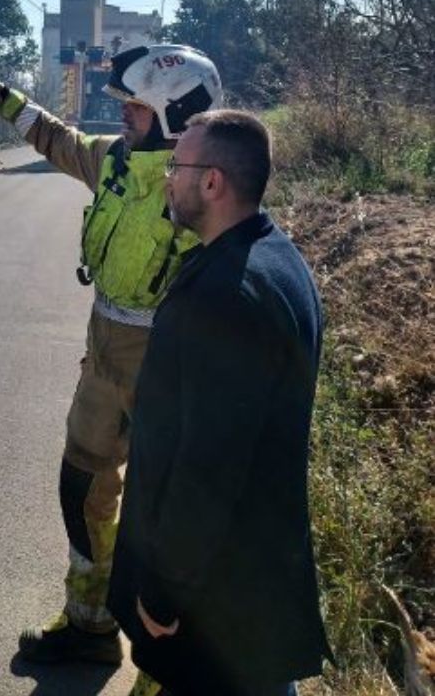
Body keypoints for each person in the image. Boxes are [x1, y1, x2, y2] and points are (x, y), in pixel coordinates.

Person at [0, 31, 222, 666]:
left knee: (168, 515)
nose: (121, 116)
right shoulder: (114, 160)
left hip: (171, 366)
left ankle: (167, 669)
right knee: (80, 486)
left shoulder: (205, 190)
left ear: (176, 114)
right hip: (103, 353)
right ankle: (91, 623)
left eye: (134, 107)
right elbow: (56, 139)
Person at [107, 110, 333, 696]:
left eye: (177, 166)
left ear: (212, 182)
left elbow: (208, 463)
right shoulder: (276, 257)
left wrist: (165, 586)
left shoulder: (227, 294)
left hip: (220, 598)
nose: (167, 177)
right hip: (250, 582)